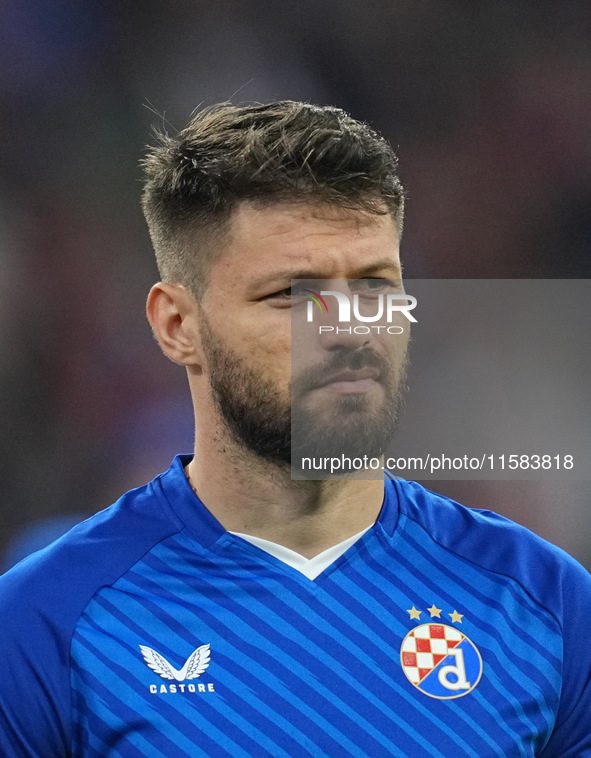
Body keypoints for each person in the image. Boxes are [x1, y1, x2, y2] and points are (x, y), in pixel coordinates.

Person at [0, 101, 590, 757]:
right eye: (289, 294)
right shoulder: (45, 621)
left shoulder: (542, 602)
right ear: (177, 326)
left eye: (374, 287)